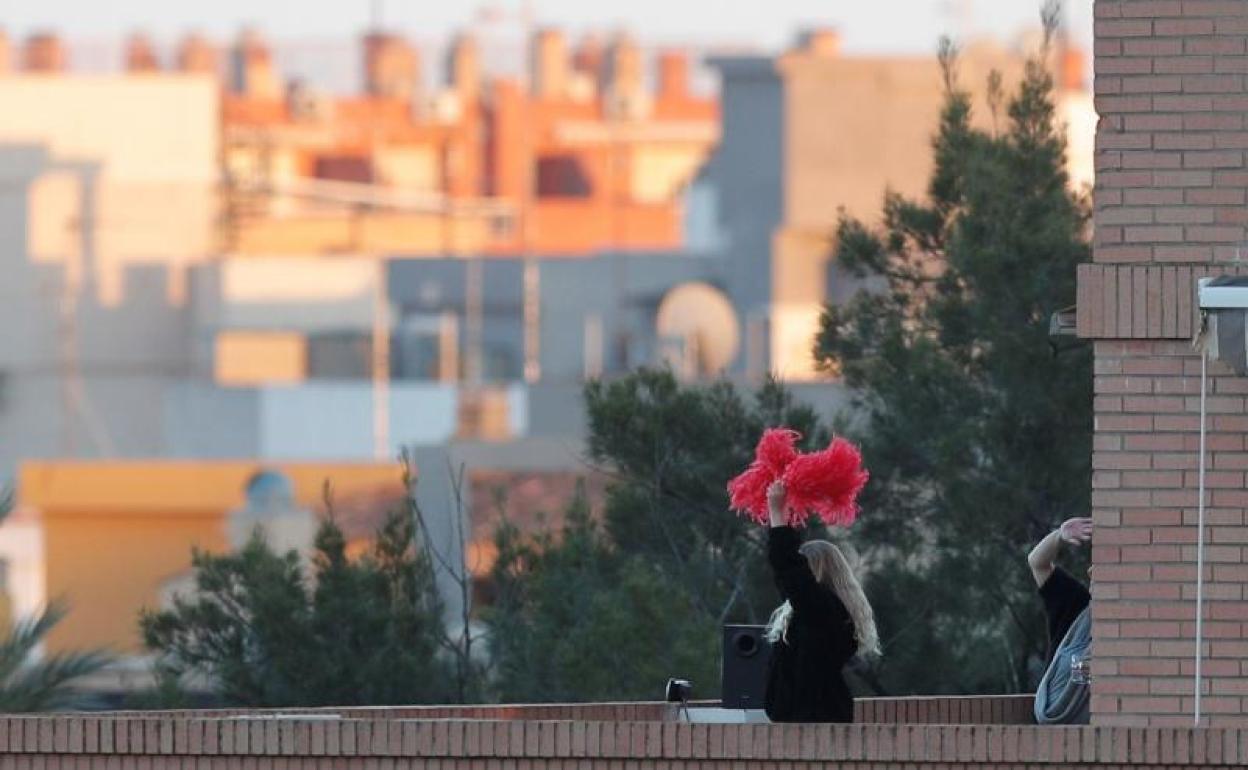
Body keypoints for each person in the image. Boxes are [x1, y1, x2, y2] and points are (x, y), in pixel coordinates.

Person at [763, 480, 880, 723]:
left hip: (814, 722)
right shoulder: (830, 611)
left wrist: (777, 514)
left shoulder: (822, 609)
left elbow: (790, 573)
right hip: (820, 718)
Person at [1027, 516, 1093, 724]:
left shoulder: (1137, 627)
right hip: (1054, 737)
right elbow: (1037, 563)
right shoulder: (1076, 604)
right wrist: (1059, 536)